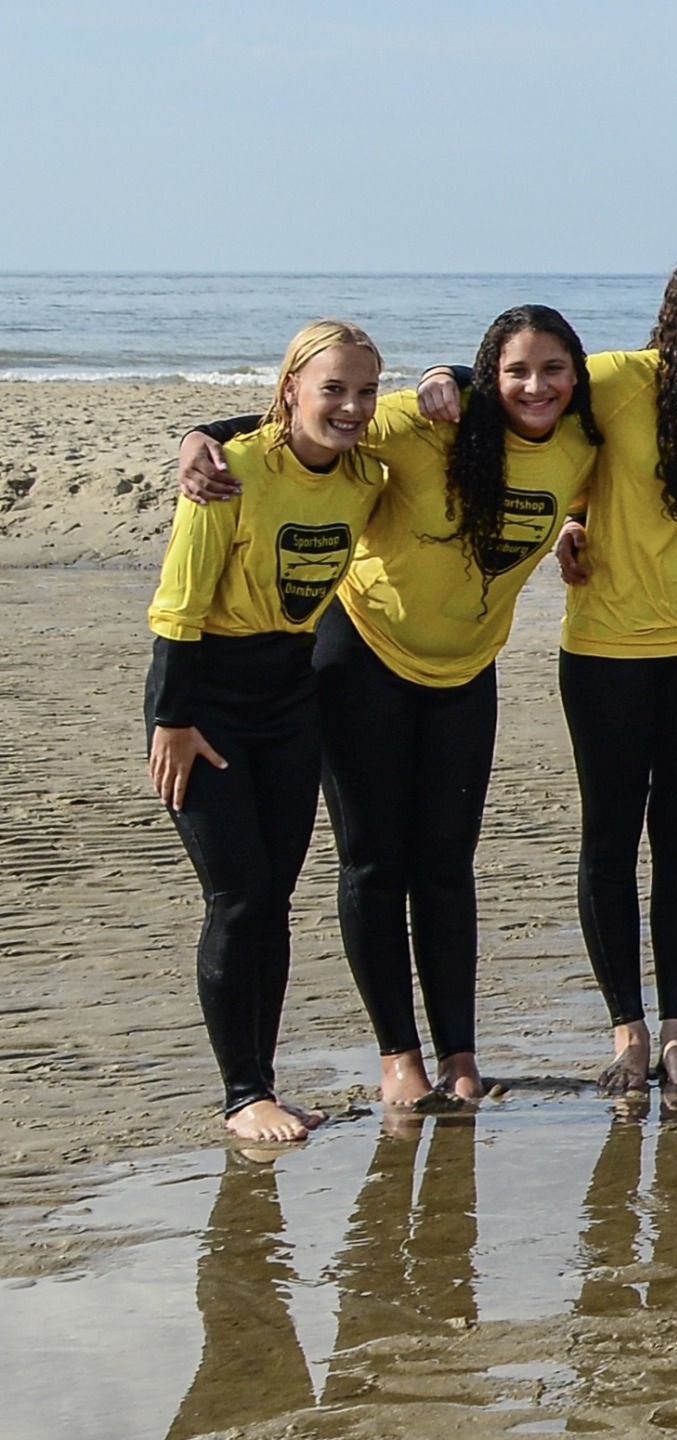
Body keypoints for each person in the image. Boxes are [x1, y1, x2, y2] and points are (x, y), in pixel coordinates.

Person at [174, 307, 603, 1108]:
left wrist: (577, 522)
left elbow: (605, 479)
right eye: (514, 370)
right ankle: (398, 1056)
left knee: (446, 866)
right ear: (488, 373)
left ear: (576, 377)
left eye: (553, 370)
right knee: (374, 862)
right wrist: (201, 432)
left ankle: (461, 1055)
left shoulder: (582, 440)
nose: (535, 386)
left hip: (467, 672)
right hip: (361, 657)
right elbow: (317, 418)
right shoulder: (414, 426)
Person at [416, 246, 677, 1089]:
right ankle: (627, 1029)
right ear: (675, 315)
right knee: (611, 840)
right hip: (605, 654)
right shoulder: (617, 380)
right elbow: (523, 390)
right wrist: (444, 375)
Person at [148, 319, 387, 1142]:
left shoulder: (365, 477)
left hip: (292, 703)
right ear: (290, 390)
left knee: (275, 903)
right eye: (332, 389)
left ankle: (264, 1085)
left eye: (365, 390)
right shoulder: (231, 475)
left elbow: (458, 398)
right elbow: (180, 604)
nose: (351, 406)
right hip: (205, 705)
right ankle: (240, 1094)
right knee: (238, 897)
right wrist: (171, 719)